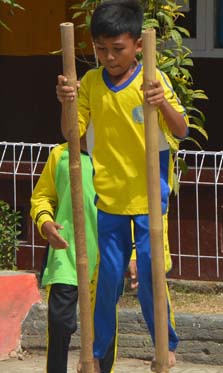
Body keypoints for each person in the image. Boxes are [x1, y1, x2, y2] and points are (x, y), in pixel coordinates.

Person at [55, 0, 188, 370]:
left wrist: (161, 104)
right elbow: (72, 134)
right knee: (108, 278)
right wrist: (66, 103)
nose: (109, 57)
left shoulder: (153, 79)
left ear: (138, 46)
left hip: (149, 194)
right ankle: (98, 354)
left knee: (149, 272)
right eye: (101, 49)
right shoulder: (92, 84)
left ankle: (166, 343)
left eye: (118, 49)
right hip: (109, 197)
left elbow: (181, 129)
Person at [30, 138, 121, 373]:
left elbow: (129, 206)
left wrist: (130, 255)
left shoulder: (113, 154)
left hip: (105, 257)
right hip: (65, 255)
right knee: (60, 325)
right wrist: (45, 222)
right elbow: (41, 196)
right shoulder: (59, 155)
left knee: (104, 329)